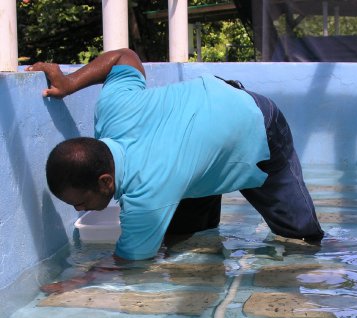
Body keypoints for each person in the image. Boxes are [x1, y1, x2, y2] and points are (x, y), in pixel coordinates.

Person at [27, 48, 323, 262]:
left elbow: (129, 262)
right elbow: (124, 57)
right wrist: (70, 83)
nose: (79, 209)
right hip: (194, 148)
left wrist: (77, 280)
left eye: (80, 202)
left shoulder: (146, 198)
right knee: (185, 242)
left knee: (301, 238)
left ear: (106, 181)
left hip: (254, 121)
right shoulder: (110, 111)